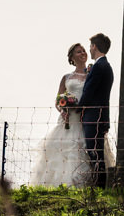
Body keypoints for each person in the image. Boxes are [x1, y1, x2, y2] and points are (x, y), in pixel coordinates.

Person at [30, 42, 91, 186]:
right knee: (61, 152)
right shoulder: (66, 77)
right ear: (72, 58)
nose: (82, 53)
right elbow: (58, 100)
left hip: (84, 119)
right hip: (68, 120)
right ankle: (61, 185)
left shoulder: (91, 74)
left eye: (83, 51)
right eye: (78, 52)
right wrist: (63, 110)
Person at [77, 33, 114, 187]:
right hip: (98, 115)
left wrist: (77, 109)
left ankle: (99, 187)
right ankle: (98, 186)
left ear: (95, 47)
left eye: (91, 46)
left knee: (95, 153)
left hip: (94, 116)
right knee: (96, 152)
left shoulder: (100, 66)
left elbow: (89, 92)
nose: (89, 50)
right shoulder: (104, 65)